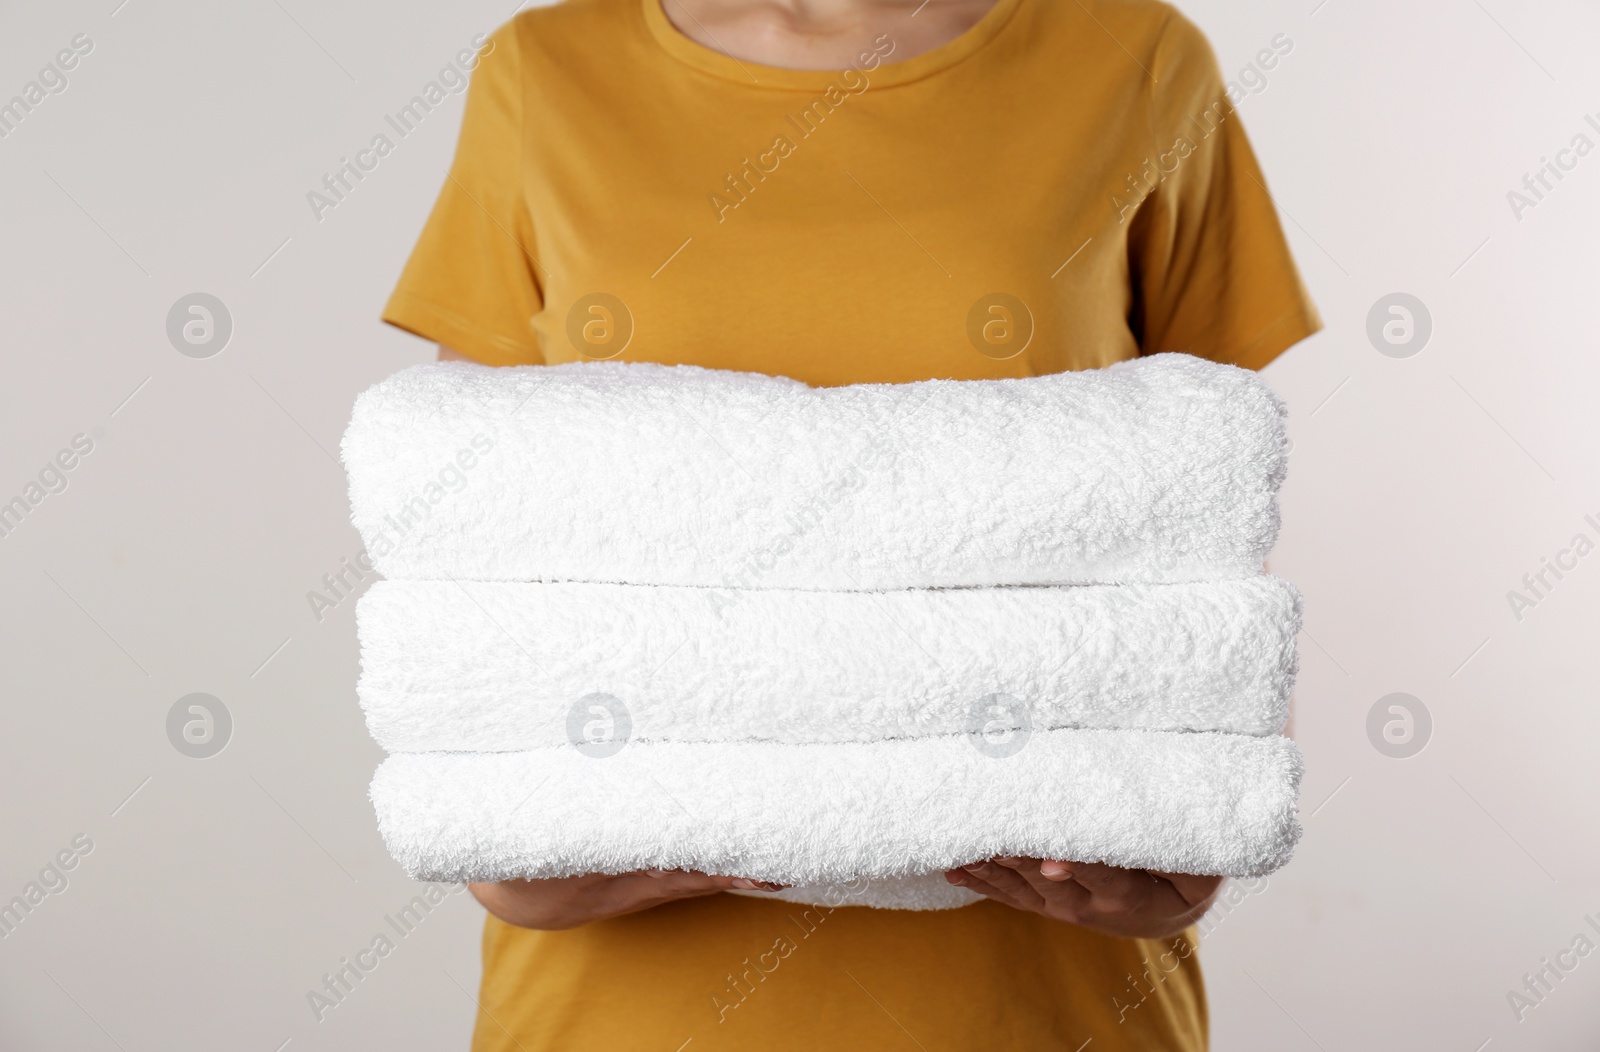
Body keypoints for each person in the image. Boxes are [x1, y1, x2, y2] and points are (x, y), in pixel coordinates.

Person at [380, 0, 1320, 1047]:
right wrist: (512, 865)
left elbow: (1209, 528)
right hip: (617, 1013)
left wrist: (1189, 855)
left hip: (1039, 1004)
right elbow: (465, 541)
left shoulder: (1135, 58)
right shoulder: (546, 69)